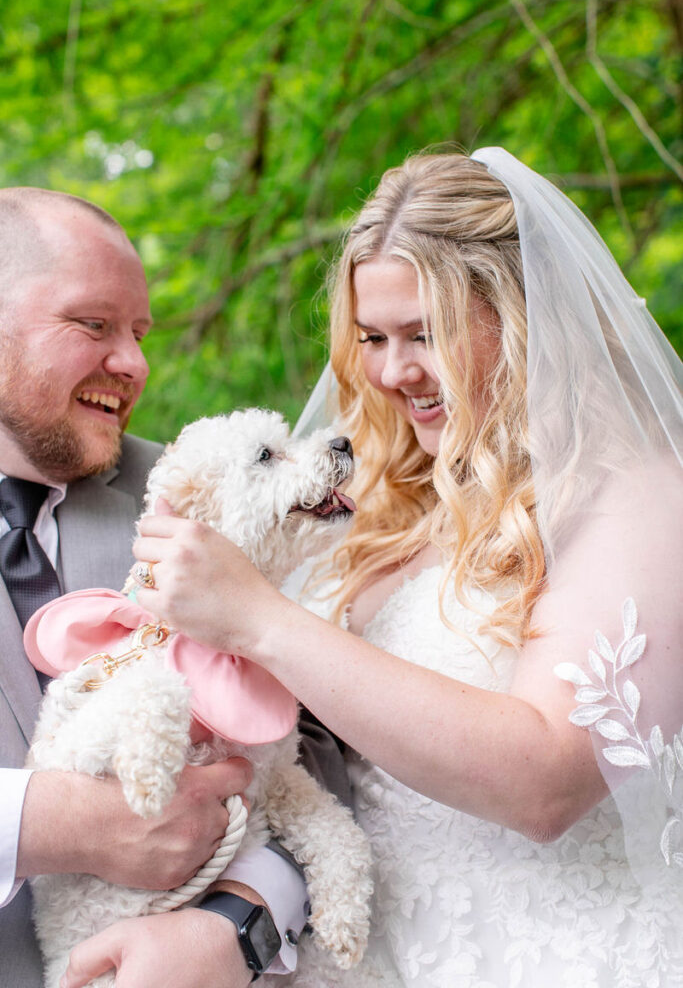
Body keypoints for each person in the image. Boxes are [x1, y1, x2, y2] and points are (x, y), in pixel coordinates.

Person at [131, 148, 683, 987]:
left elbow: (545, 785)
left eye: (426, 334)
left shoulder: (634, 494)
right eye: (373, 339)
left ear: (525, 313)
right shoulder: (383, 498)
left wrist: (259, 619)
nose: (392, 374)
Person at [0, 187, 332, 988]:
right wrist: (42, 825)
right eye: (94, 324)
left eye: (141, 333)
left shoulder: (199, 493)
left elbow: (319, 749)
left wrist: (238, 925)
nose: (136, 365)